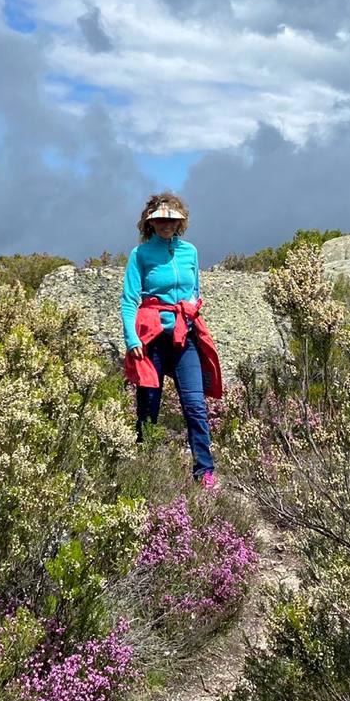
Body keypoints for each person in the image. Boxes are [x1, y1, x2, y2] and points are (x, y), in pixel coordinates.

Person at [120, 192, 224, 487]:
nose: (167, 224)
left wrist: (190, 311)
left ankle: (204, 472)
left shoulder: (190, 251)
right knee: (148, 406)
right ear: (150, 223)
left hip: (184, 336)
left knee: (194, 405)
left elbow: (194, 291)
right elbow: (129, 300)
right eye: (161, 220)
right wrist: (132, 338)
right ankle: (145, 469)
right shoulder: (139, 255)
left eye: (172, 220)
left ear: (181, 222)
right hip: (151, 339)